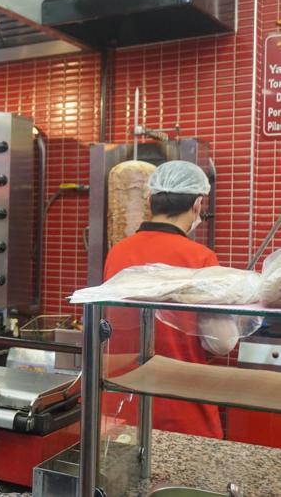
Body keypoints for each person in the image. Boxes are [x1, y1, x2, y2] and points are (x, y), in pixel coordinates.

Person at [103, 160, 237, 439]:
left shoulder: (118, 252)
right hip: (180, 407)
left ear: (150, 200)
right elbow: (222, 342)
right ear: (197, 204)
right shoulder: (200, 257)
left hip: (123, 404)